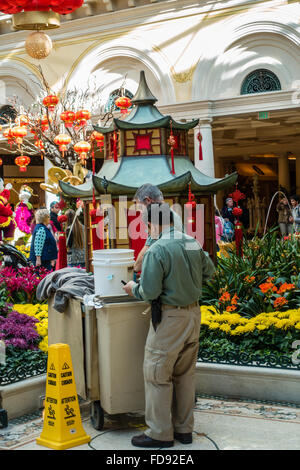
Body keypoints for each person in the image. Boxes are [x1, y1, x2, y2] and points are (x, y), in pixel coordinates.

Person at [123, 203, 215, 448]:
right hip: (194, 315)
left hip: (170, 318)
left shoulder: (158, 249)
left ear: (152, 224)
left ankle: (159, 433)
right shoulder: (191, 241)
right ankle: (184, 431)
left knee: (156, 373)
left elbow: (149, 291)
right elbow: (210, 272)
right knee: (185, 375)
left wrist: (134, 289)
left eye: (147, 226)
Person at [133, 183, 183, 272]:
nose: (141, 213)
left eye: (141, 208)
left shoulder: (157, 217)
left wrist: (134, 268)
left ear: (148, 200)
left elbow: (141, 261)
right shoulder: (171, 213)